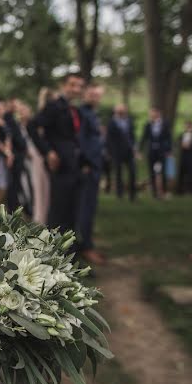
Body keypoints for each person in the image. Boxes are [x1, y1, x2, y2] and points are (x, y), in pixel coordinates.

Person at [29, 73, 86, 238]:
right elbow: (32, 127)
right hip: (60, 165)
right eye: (72, 85)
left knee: (72, 210)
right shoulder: (54, 106)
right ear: (64, 86)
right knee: (59, 211)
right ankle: (56, 251)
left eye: (79, 86)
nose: (76, 89)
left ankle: (72, 249)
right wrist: (48, 152)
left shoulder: (74, 109)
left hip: (74, 165)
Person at [76, 84, 106, 265]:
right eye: (91, 94)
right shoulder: (82, 113)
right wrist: (85, 162)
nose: (95, 97)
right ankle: (86, 247)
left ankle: (89, 244)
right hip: (88, 167)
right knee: (86, 208)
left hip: (96, 165)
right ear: (85, 95)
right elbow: (80, 140)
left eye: (97, 94)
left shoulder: (92, 114)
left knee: (91, 207)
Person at [18, 101, 49, 224]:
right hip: (24, 159)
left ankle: (35, 211)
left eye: (24, 111)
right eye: (20, 111)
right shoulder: (17, 126)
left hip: (35, 158)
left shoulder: (34, 126)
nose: (22, 114)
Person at [106, 103, 137, 201]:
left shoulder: (129, 121)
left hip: (129, 151)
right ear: (115, 111)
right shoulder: (111, 122)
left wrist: (134, 148)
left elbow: (132, 135)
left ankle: (132, 195)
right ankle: (120, 194)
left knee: (132, 172)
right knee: (118, 173)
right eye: (119, 110)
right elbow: (109, 138)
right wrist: (110, 151)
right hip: (117, 151)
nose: (121, 111)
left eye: (123, 110)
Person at [140, 107, 172, 199]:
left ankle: (165, 191)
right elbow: (144, 138)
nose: (151, 115)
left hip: (162, 151)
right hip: (152, 151)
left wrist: (169, 150)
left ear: (158, 113)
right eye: (150, 113)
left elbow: (168, 137)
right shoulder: (148, 125)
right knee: (152, 171)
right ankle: (155, 193)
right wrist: (139, 150)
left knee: (163, 171)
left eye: (152, 113)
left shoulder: (165, 124)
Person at [176, 120, 192, 195]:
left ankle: (191, 189)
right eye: (186, 126)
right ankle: (180, 190)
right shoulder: (181, 135)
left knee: (191, 173)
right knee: (181, 173)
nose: (187, 127)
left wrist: (189, 146)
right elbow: (179, 144)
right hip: (183, 156)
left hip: (191, 156)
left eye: (188, 126)